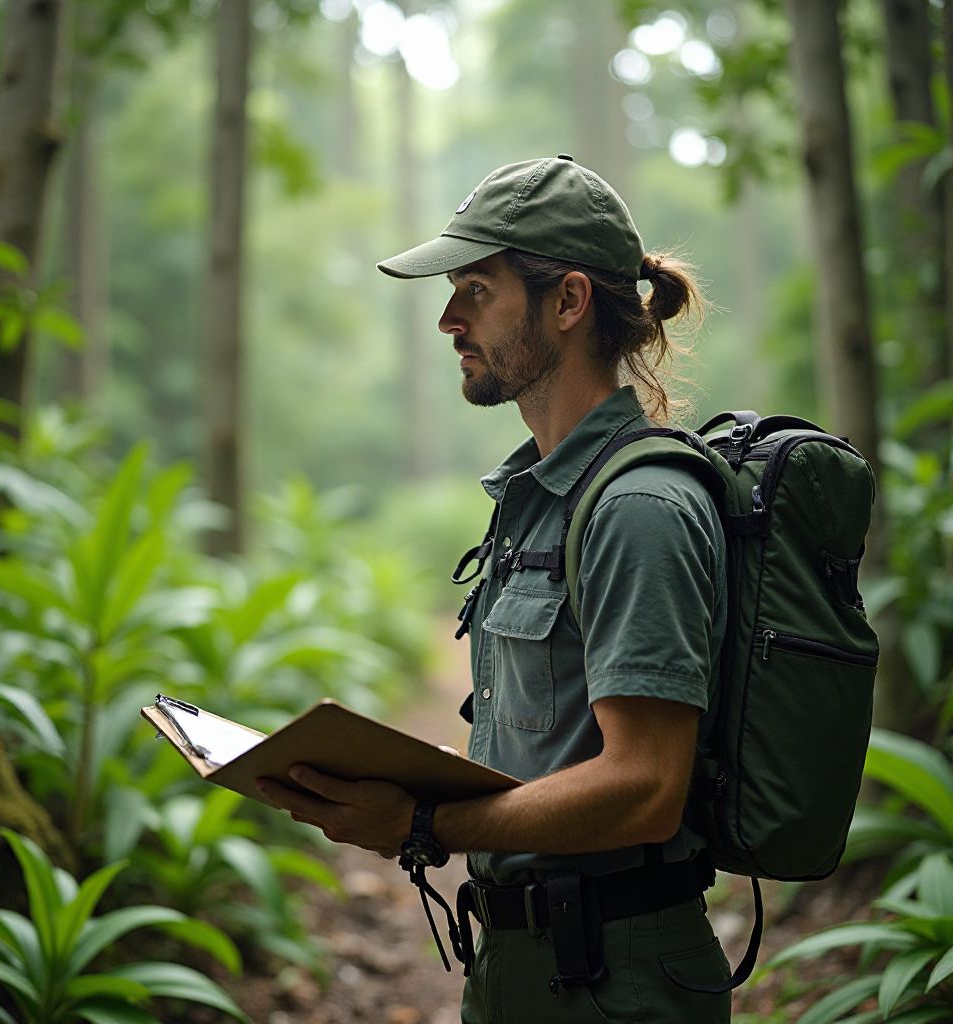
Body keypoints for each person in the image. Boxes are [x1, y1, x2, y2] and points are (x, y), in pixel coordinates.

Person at [256, 155, 732, 1022]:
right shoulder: (539, 496)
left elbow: (646, 786)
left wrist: (424, 825)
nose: (448, 318)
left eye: (476, 288)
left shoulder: (638, 507)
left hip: (616, 983)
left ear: (568, 302)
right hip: (522, 967)